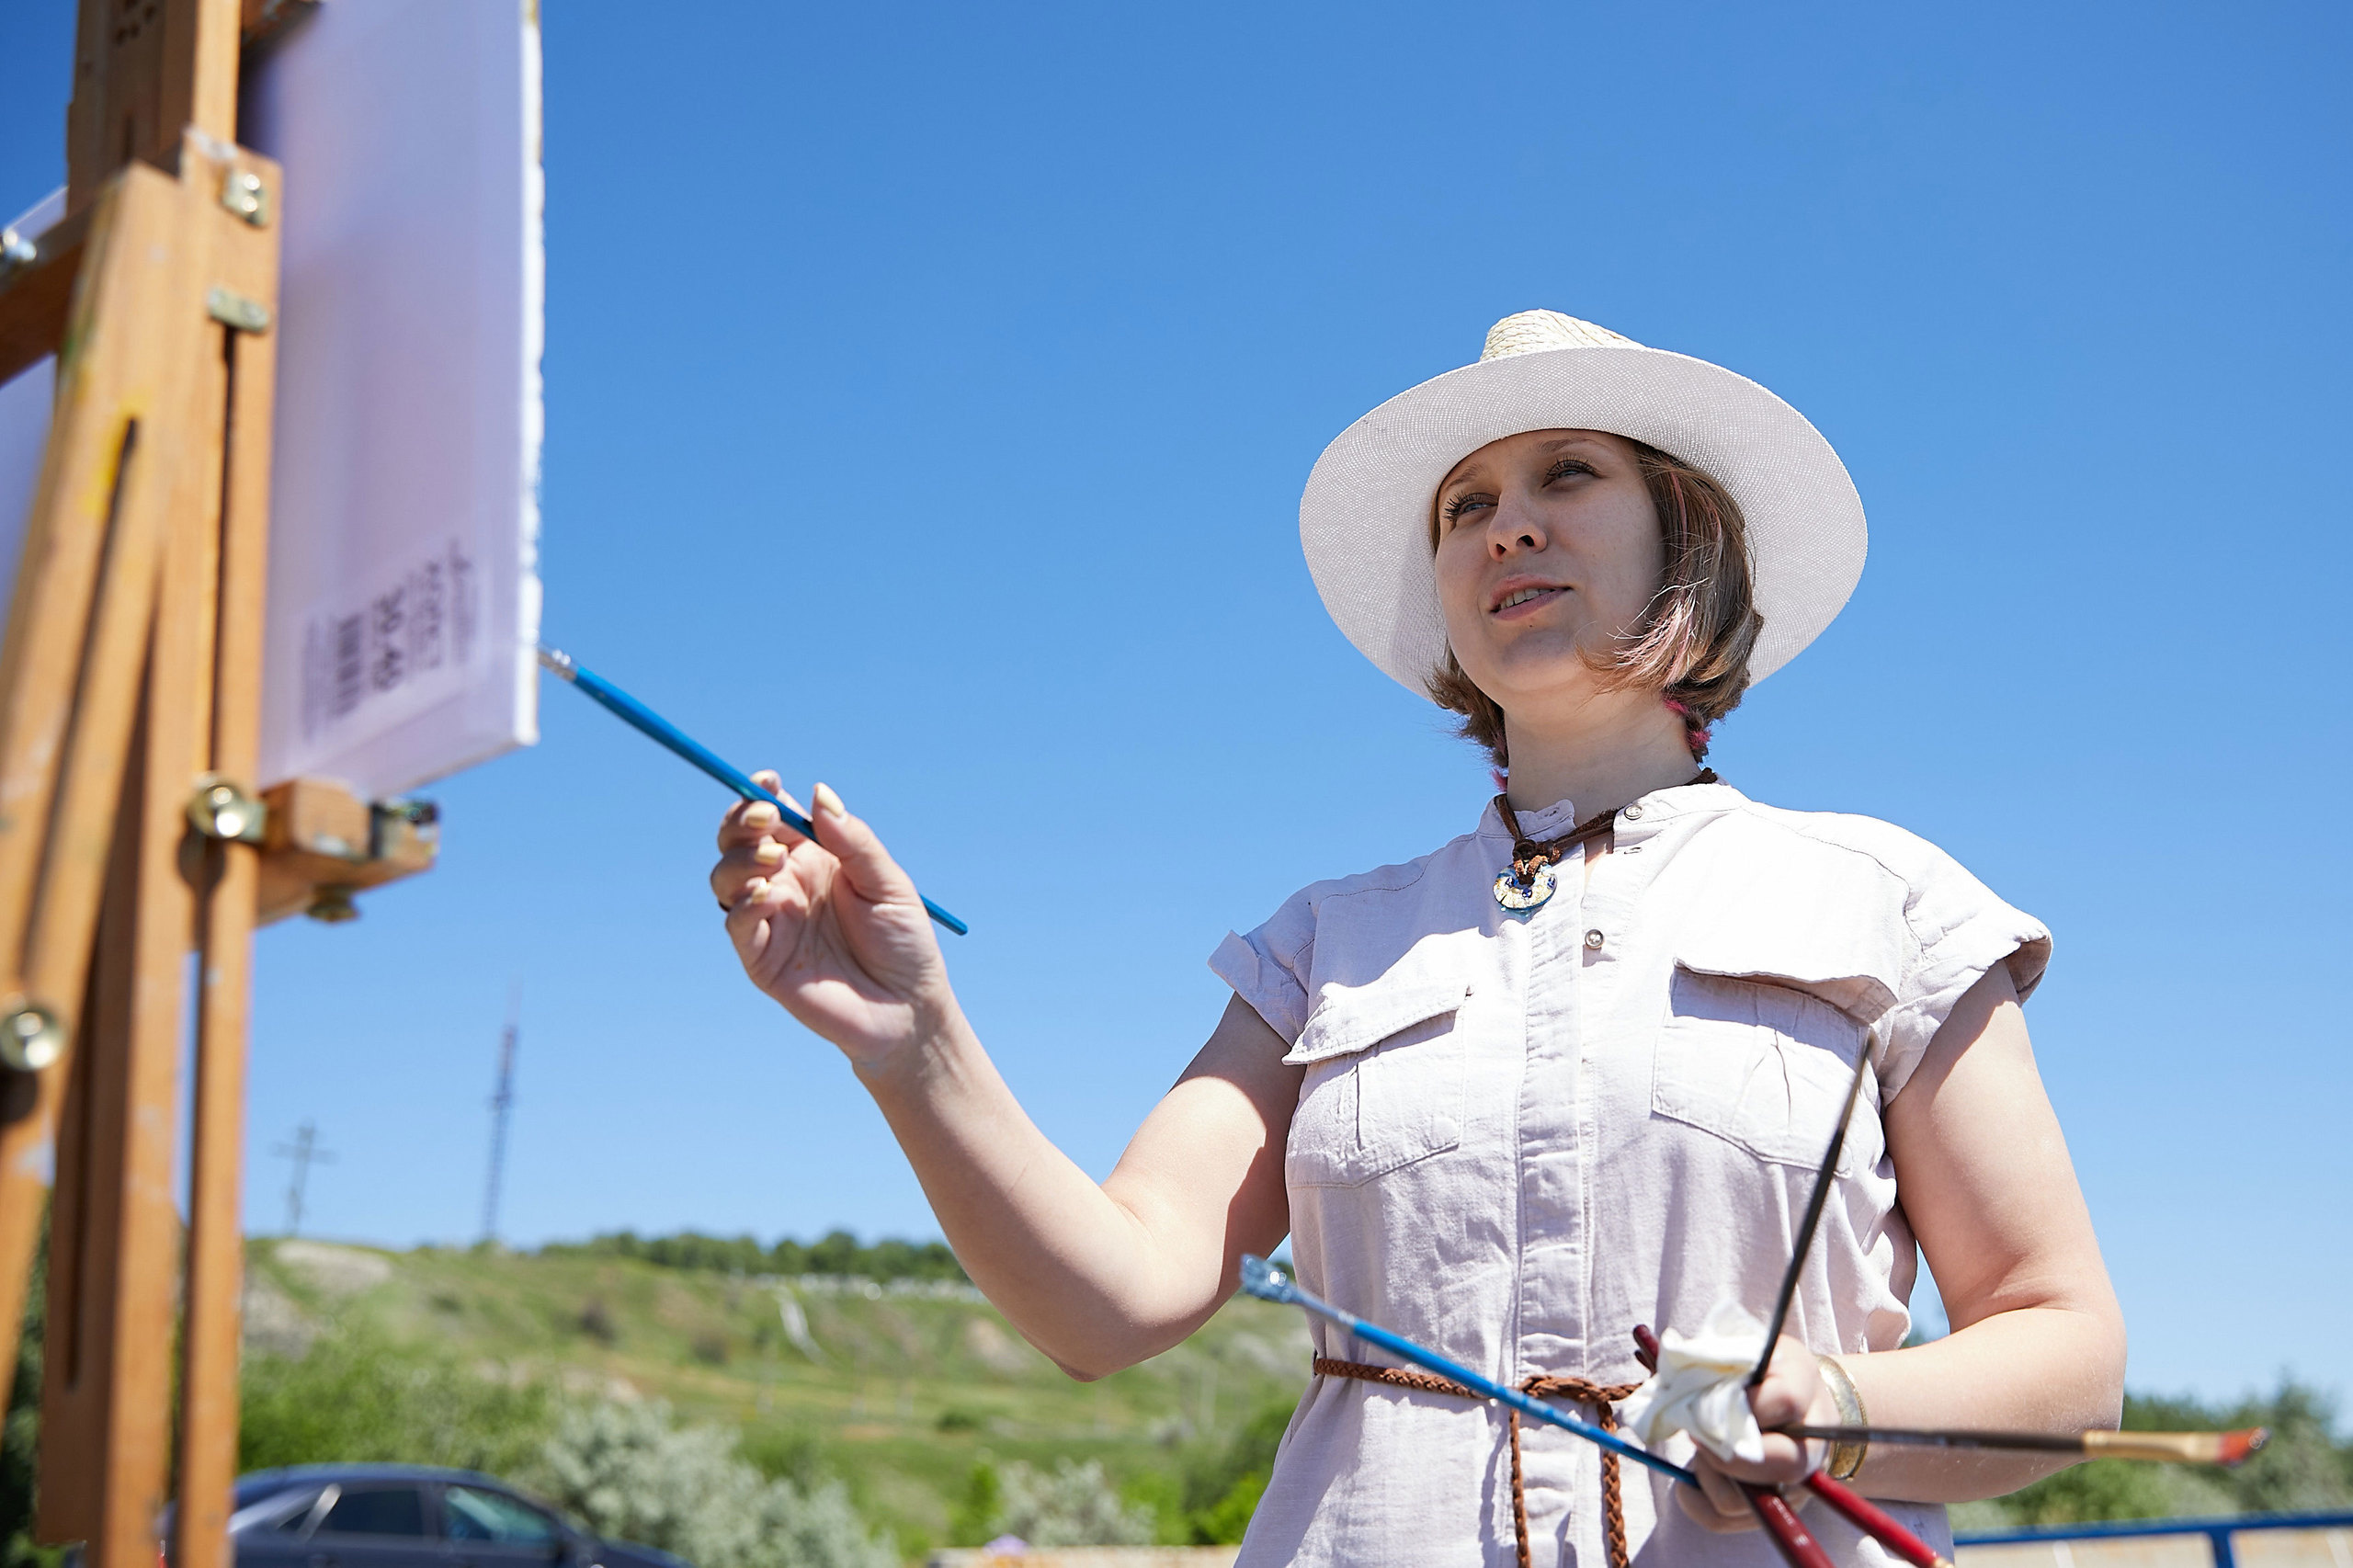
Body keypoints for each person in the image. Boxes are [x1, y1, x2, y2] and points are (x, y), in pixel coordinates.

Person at [709, 311, 2126, 1567]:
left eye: (1569, 474)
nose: (1507, 526)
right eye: (1466, 505)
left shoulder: (1887, 899)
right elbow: (1110, 1299)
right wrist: (914, 1043)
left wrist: (1839, 1403)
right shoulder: (1323, 941)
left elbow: (2067, 1351)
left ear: (1687, 539)